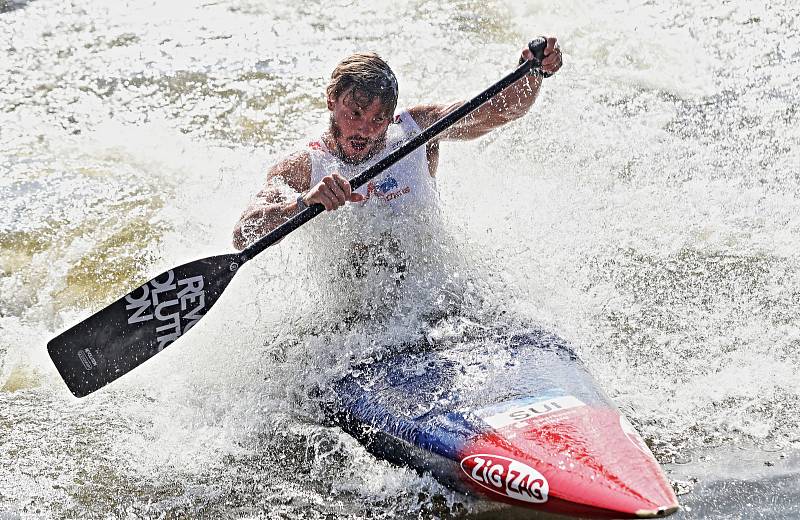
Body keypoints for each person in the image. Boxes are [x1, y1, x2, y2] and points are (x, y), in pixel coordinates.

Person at [232, 39, 563, 251]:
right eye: (355, 113)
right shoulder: (303, 166)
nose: (365, 129)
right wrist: (302, 204)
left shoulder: (417, 130)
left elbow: (500, 111)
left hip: (435, 303)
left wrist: (534, 73)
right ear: (332, 101)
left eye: (378, 119)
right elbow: (243, 233)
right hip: (352, 323)